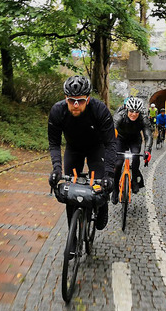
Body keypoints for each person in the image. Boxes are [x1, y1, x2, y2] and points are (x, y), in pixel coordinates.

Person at [48, 75, 116, 232]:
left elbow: (110, 143)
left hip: (96, 148)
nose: (76, 105)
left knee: (100, 186)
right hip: (73, 148)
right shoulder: (58, 111)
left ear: (88, 98)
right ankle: (72, 238)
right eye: (71, 100)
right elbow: (54, 143)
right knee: (70, 191)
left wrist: (109, 175)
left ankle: (102, 205)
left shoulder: (100, 110)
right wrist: (57, 169)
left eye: (81, 100)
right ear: (66, 98)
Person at [111, 97, 153, 204]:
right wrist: (109, 148)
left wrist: (147, 150)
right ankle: (115, 190)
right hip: (120, 138)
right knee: (118, 164)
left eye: (136, 112)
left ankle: (134, 180)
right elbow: (111, 132)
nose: (133, 114)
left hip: (135, 139)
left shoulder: (143, 118)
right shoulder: (120, 115)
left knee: (135, 158)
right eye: (131, 111)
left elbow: (148, 135)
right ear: (126, 109)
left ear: (140, 112)